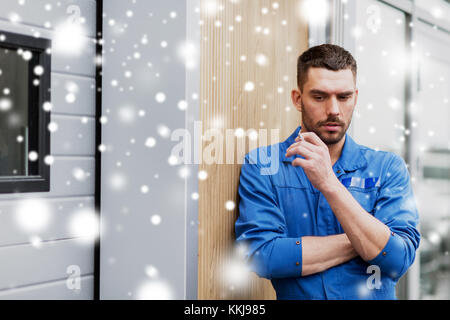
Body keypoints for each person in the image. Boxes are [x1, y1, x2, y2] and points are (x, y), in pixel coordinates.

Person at [235, 44, 420, 300]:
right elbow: (262, 257)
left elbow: (397, 260)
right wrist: (364, 240)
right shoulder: (264, 165)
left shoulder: (388, 168)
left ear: (355, 97)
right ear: (298, 99)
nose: (333, 110)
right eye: (320, 97)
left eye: (343, 97)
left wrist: (329, 183)